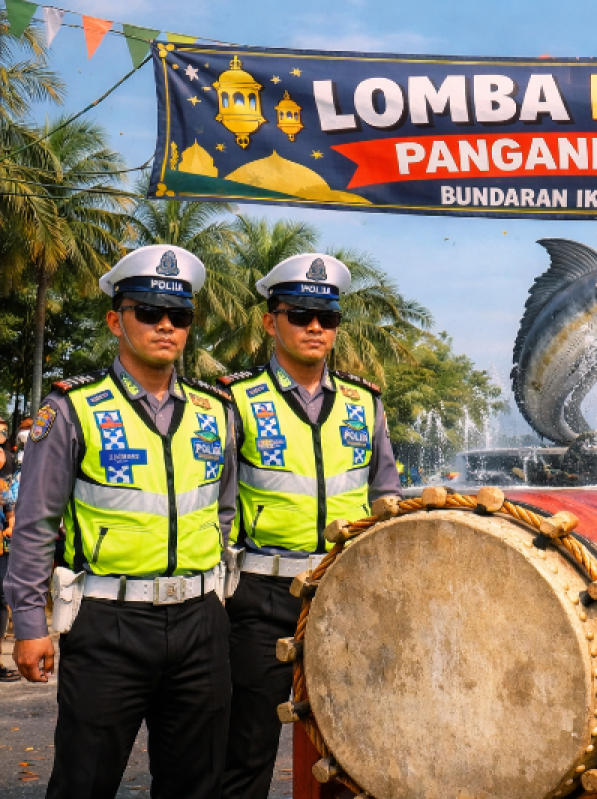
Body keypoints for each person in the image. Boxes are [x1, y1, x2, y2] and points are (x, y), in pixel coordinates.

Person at [2, 245, 238, 798]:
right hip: (108, 623)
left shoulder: (215, 411)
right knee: (85, 781)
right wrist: (32, 626)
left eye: (178, 316)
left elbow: (222, 509)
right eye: (148, 312)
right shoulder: (72, 409)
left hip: (201, 623)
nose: (164, 326)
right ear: (116, 319)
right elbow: (36, 524)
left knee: (197, 784)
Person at [219, 253, 402, 799]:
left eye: (327, 317)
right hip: (261, 596)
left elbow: (386, 494)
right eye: (300, 315)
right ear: (270, 320)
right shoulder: (236, 400)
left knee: (353, 748)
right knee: (245, 749)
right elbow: (219, 505)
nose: (316, 327)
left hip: (345, 591)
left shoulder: (364, 401)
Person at [0, 457, 19, 681]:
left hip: (1, 550)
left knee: (1, 599)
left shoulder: (5, 483)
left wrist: (11, 525)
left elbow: (10, 508)